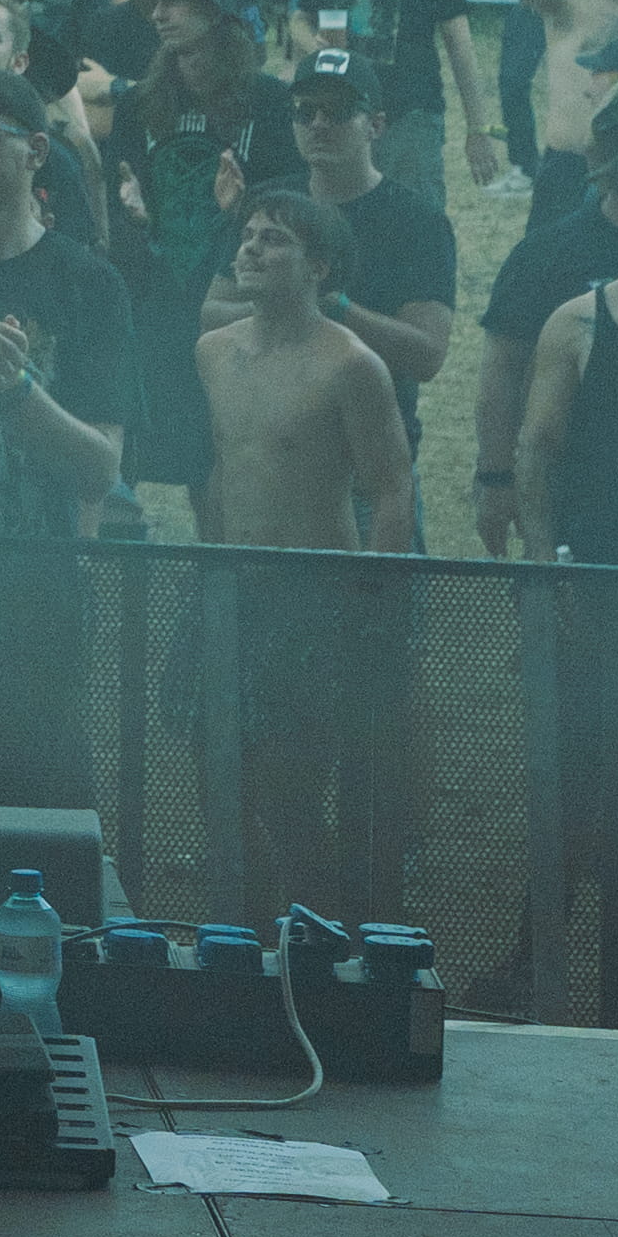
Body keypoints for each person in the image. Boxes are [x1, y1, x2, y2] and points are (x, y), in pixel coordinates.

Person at [191, 181, 422, 920]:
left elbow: (391, 485)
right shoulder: (213, 351)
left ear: (318, 265)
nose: (250, 249)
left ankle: (329, 935)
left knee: (287, 793)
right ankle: (247, 943)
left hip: (314, 600)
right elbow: (222, 466)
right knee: (216, 781)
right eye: (247, 235)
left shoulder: (350, 364)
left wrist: (370, 597)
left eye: (273, 239)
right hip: (230, 592)